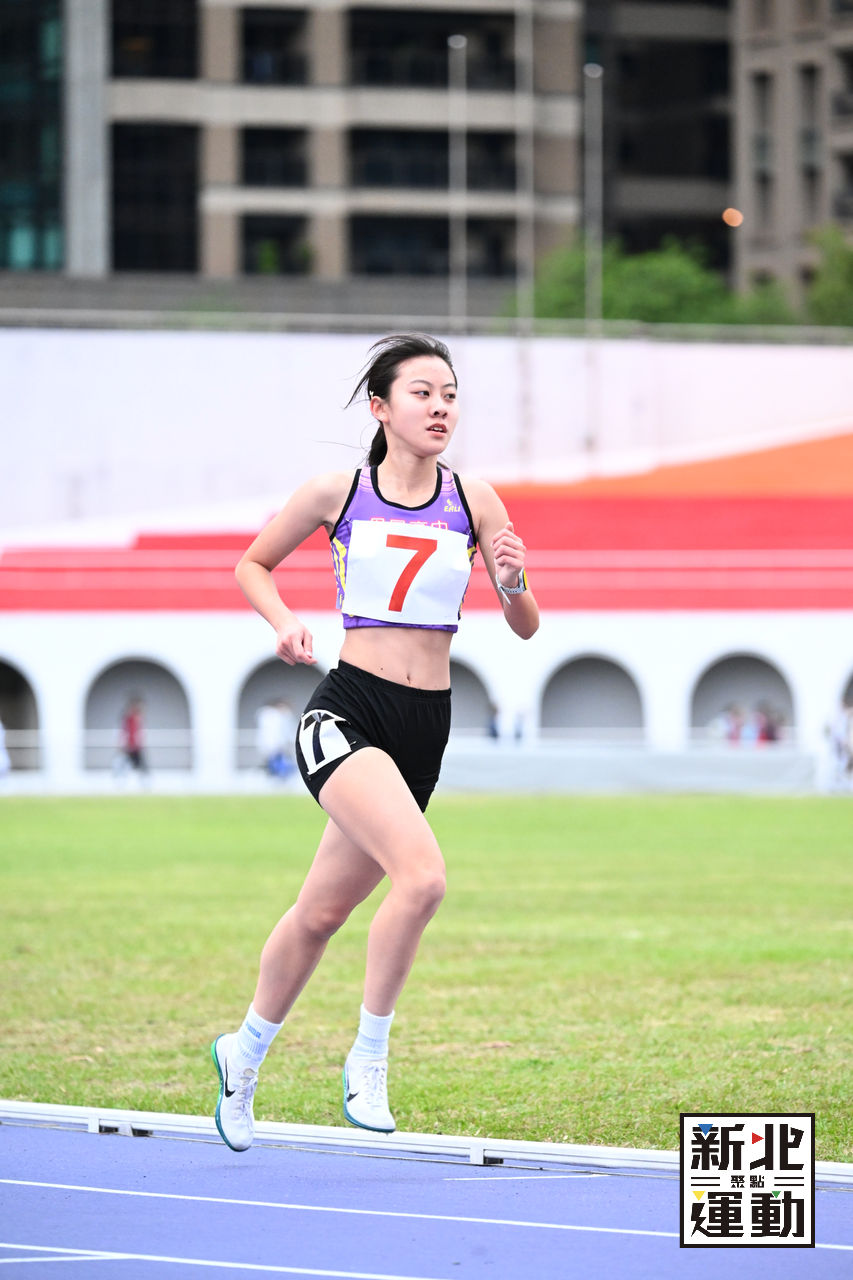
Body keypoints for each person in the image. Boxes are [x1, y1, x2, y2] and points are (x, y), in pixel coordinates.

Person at [212, 332, 539, 1151]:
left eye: (450, 395)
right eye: (423, 393)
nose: (440, 408)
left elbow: (526, 624)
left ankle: (242, 1051)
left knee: (321, 912)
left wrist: (512, 580)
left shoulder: (474, 500)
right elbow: (253, 564)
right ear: (381, 407)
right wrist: (284, 623)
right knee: (422, 879)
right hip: (346, 712)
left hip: (425, 726)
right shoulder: (340, 491)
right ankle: (369, 1056)